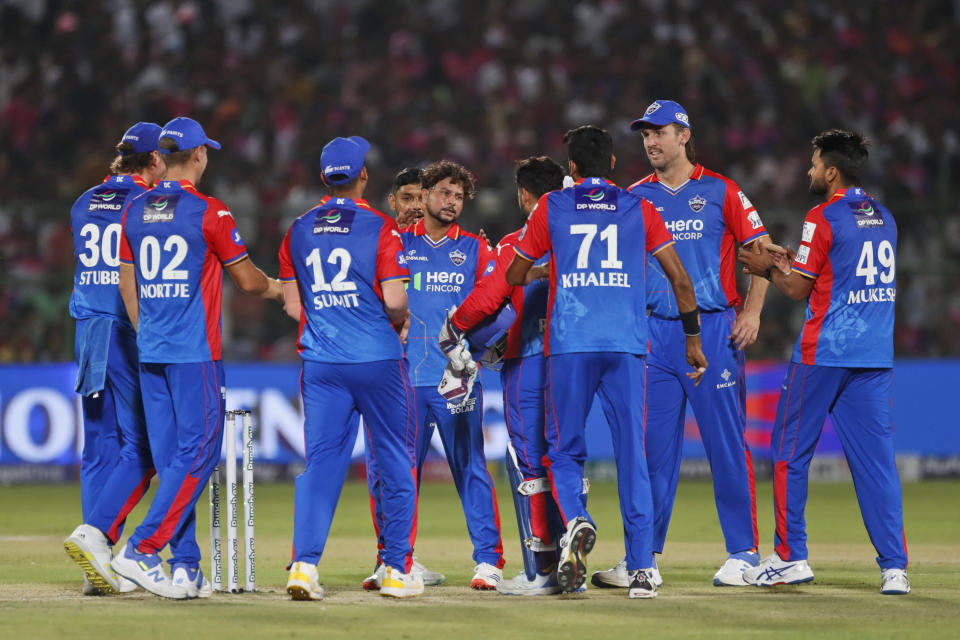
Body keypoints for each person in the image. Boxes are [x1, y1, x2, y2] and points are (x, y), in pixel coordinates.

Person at [506, 125, 707, 599]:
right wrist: (693, 340)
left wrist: (554, 265)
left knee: (563, 449)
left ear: (570, 169)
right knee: (632, 452)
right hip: (626, 345)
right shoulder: (642, 206)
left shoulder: (553, 206)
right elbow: (680, 279)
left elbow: (515, 273)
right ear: (613, 164)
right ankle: (641, 570)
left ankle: (576, 519)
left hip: (571, 343)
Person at [593, 100, 771, 589]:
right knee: (650, 453)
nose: (650, 142)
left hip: (713, 331)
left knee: (726, 445)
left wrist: (752, 311)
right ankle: (643, 557)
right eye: (645, 134)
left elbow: (764, 256)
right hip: (653, 334)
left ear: (684, 135)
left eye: (659, 132)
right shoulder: (633, 197)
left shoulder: (721, 191)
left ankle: (744, 554)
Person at [107, 117, 283, 600]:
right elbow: (248, 281)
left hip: (152, 351)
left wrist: (150, 335)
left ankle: (185, 566)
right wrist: (283, 289)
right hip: (195, 353)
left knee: (172, 461)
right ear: (200, 155)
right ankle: (142, 549)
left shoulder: (135, 209)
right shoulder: (210, 212)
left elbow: (128, 285)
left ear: (161, 158)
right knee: (199, 452)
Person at [738, 129, 910, 595]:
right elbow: (835, 272)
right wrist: (794, 263)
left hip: (824, 354)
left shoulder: (823, 215)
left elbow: (798, 290)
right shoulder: (884, 217)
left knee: (790, 454)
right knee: (877, 465)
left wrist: (766, 269)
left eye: (814, 164)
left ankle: (791, 557)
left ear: (831, 172)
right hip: (873, 357)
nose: (811, 171)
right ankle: (894, 569)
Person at [280, 136, 423, 600]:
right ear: (364, 175)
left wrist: (329, 320)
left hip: (322, 363)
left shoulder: (297, 229)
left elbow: (290, 304)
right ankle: (397, 570)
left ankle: (303, 566)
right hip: (378, 360)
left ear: (325, 178)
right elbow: (396, 300)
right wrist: (393, 320)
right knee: (396, 460)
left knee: (320, 465)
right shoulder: (381, 228)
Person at [438, 156, 565, 596]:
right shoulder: (581, 233)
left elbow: (489, 299)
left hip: (528, 360)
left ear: (525, 195)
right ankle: (593, 552)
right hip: (576, 362)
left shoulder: (518, 241)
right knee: (565, 455)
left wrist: (457, 330)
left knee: (528, 460)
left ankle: (544, 568)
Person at [391, 159, 506, 589]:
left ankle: (489, 562)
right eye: (444, 193)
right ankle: (396, 560)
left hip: (456, 381)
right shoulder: (398, 242)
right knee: (402, 474)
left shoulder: (477, 249)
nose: (452, 202)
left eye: (459, 196)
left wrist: (479, 351)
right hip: (404, 379)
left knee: (471, 466)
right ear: (425, 196)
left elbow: (495, 306)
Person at [63, 122, 167, 596]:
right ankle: (100, 539)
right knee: (145, 447)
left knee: (99, 447)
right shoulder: (146, 203)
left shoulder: (83, 201)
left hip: (88, 329)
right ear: (152, 162)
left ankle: (94, 570)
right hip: (128, 327)